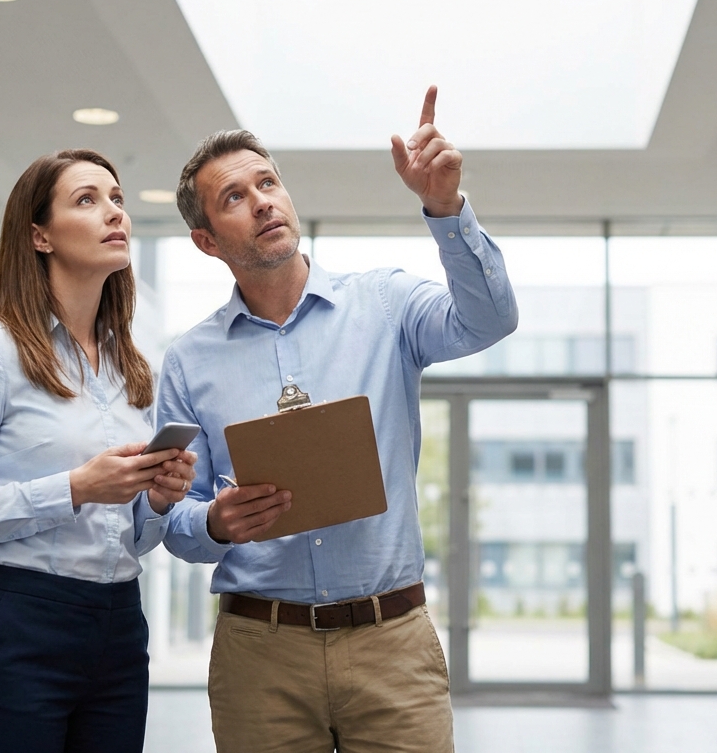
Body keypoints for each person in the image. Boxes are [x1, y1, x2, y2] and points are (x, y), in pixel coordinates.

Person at [158, 88, 518, 753]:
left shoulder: (385, 303)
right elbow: (170, 519)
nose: (263, 200)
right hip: (259, 654)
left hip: (392, 643)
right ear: (206, 242)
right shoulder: (187, 362)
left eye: (268, 182)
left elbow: (488, 320)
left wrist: (445, 208)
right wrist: (213, 521)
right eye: (235, 196)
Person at [0, 149, 197, 753]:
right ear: (39, 235)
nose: (114, 213)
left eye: (116, 199)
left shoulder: (134, 371)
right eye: (88, 200)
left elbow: (133, 536)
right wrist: (75, 487)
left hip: (120, 625)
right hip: (17, 624)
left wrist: (157, 499)